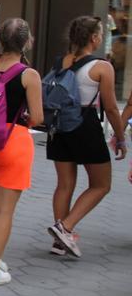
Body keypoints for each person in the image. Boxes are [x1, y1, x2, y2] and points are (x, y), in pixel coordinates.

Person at [45, 16, 125, 258]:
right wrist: (120, 138)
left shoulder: (60, 62)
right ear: (94, 38)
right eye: (100, 34)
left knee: (64, 184)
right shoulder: (102, 67)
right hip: (85, 125)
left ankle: (60, 241)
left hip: (59, 125)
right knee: (101, 184)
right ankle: (66, 228)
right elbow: (111, 108)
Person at [0, 18, 43, 287]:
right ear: (27, 42)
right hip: (13, 141)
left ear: (0, 40)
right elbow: (37, 117)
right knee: (5, 209)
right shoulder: (28, 74)